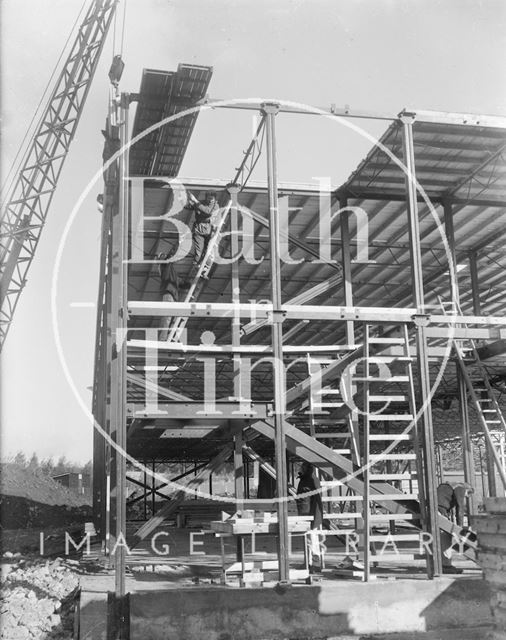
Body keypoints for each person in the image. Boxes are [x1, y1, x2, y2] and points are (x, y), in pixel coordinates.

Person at [186, 191, 219, 267]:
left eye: (212, 199)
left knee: (208, 249)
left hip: (209, 230)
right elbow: (189, 206)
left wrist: (195, 201)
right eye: (209, 198)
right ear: (206, 197)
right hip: (198, 229)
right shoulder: (200, 203)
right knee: (199, 249)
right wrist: (184, 200)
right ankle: (197, 263)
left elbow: (208, 212)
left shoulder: (215, 205)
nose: (211, 200)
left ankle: (206, 265)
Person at [156, 250, 179, 341]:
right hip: (169, 294)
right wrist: (180, 242)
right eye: (163, 255)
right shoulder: (164, 266)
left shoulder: (170, 271)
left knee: (172, 318)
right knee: (167, 317)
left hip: (172, 295)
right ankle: (162, 339)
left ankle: (169, 337)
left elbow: (179, 281)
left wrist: (190, 284)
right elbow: (171, 255)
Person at [296, 462, 323, 529]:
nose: (300, 469)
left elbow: (317, 498)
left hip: (308, 511)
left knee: (310, 531)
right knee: (306, 531)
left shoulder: (311, 479)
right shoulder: (305, 479)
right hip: (304, 509)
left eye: (302, 467)